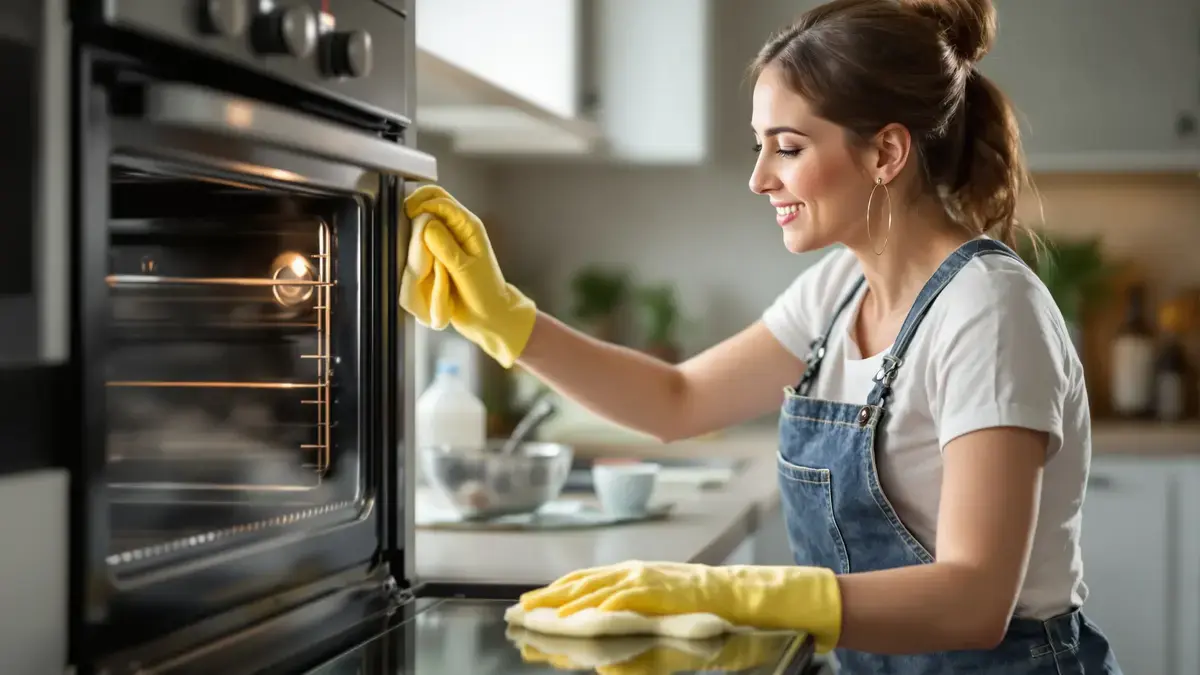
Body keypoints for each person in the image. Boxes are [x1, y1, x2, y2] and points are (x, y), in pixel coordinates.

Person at [401, 0, 1123, 671]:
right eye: (760, 146)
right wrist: (505, 319)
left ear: (885, 153)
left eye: (787, 148)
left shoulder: (987, 309)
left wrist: (732, 593)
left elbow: (973, 600)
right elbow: (676, 399)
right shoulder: (839, 290)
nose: (758, 179)